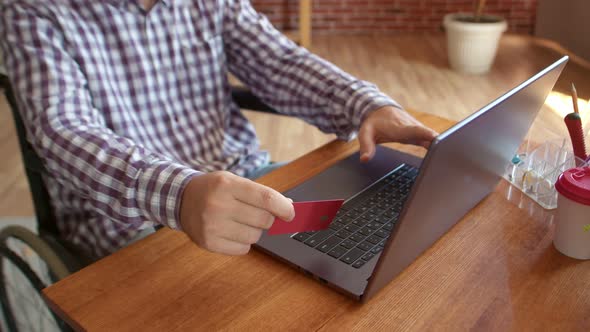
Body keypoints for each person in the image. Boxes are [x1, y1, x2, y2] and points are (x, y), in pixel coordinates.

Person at [0, 0, 437, 260]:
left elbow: (278, 61)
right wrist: (178, 193)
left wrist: (366, 104)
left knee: (385, 234)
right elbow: (63, 129)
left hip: (247, 177)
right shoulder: (32, 9)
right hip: (130, 222)